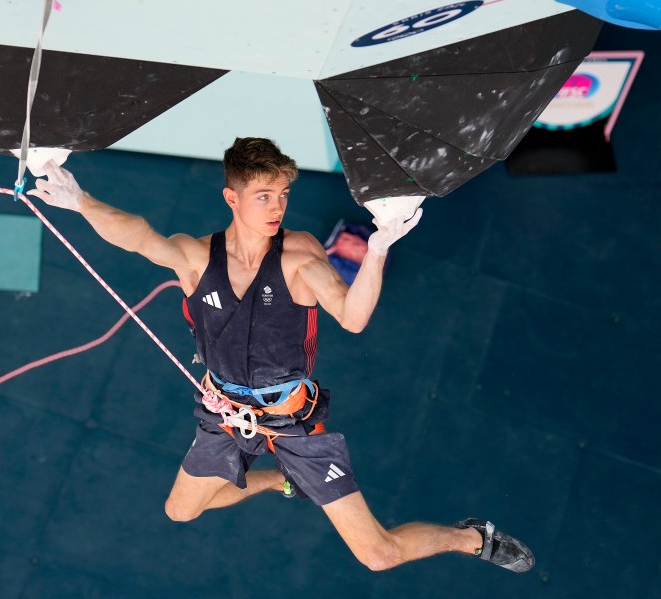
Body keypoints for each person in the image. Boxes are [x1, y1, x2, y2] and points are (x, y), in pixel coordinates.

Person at [27, 137, 534, 573]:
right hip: (224, 414)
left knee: (378, 554)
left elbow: (352, 317)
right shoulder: (197, 256)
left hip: (293, 419)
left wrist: (378, 249)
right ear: (232, 197)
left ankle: (472, 538)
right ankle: (275, 482)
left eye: (284, 195)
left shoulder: (298, 258)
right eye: (264, 195)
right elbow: (139, 236)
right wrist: (80, 201)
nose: (277, 207)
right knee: (180, 511)